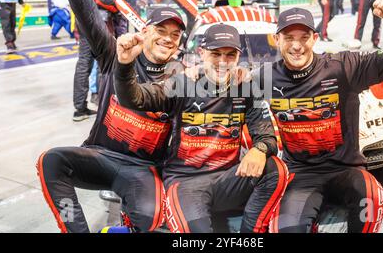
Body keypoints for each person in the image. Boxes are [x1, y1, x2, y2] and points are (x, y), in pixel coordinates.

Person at [37, 0, 186, 233]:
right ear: (144, 31)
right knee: (51, 161)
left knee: (153, 222)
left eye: (175, 35)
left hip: (143, 170)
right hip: (101, 157)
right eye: (161, 30)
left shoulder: (182, 77)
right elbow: (86, 12)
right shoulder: (115, 51)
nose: (168, 38)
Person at [254, 0, 383, 233]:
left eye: (304, 37)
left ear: (315, 38)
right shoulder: (262, 78)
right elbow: (218, 89)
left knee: (373, 195)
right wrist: (193, 74)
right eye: (288, 38)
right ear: (277, 40)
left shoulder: (345, 66)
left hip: (347, 171)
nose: (297, 46)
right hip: (300, 176)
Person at [113, 23, 288, 233]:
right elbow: (133, 99)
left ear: (238, 56)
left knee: (275, 168)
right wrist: (124, 64)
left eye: (230, 55)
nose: (223, 62)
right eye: (216, 54)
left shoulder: (248, 88)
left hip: (227, 181)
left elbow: (267, 136)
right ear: (202, 53)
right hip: (186, 183)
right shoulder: (182, 82)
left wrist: (259, 150)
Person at [71, 0, 116, 122]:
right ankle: (103, 104)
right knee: (105, 61)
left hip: (80, 19)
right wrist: (118, 6)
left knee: (83, 63)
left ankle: (79, 108)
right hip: (97, 21)